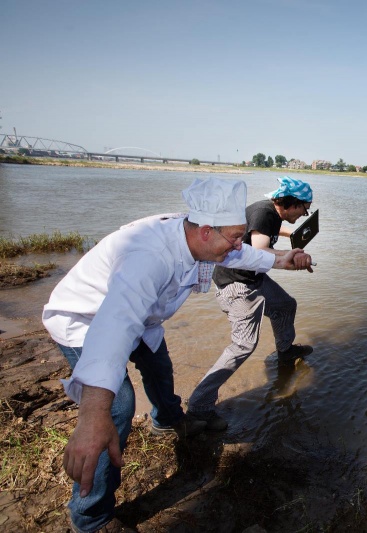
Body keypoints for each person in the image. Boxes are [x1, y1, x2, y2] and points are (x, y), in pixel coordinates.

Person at [42, 177, 312, 533]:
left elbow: (244, 253)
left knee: (159, 368)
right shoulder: (149, 257)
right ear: (204, 232)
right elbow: (114, 327)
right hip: (86, 319)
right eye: (233, 236)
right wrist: (93, 415)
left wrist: (283, 258)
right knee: (118, 406)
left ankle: (167, 421)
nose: (237, 243)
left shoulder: (205, 236)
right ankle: (90, 517)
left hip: (143, 319)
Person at [187, 176, 315, 431]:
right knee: (244, 344)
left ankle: (285, 351)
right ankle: (198, 407)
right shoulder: (264, 212)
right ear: (293, 203)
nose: (304, 214)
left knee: (285, 305)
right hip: (237, 283)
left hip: (252, 277)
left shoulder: (271, 214)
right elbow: (260, 250)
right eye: (304, 209)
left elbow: (262, 233)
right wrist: (291, 257)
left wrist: (291, 235)